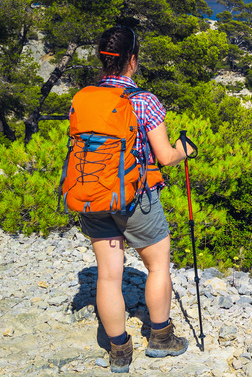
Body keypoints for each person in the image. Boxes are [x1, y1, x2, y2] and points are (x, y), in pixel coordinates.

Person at [74, 26, 194, 373]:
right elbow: (165, 156)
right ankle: (161, 339)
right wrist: (186, 149)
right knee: (157, 266)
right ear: (133, 60)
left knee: (108, 275)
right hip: (135, 198)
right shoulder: (143, 101)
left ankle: (119, 351)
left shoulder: (82, 98)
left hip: (93, 194)